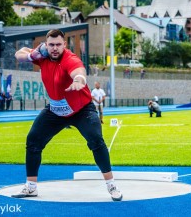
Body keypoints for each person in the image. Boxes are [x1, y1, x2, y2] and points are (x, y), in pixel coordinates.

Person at [12, 29, 122, 201]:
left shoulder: (70, 59)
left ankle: (112, 185)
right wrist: (33, 54)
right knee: (33, 140)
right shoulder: (42, 57)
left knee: (95, 140)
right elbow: (19, 55)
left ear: (64, 45)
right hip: (56, 111)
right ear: (46, 46)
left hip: (81, 110)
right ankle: (31, 187)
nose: (55, 48)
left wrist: (79, 80)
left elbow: (78, 71)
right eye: (51, 45)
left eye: (58, 45)